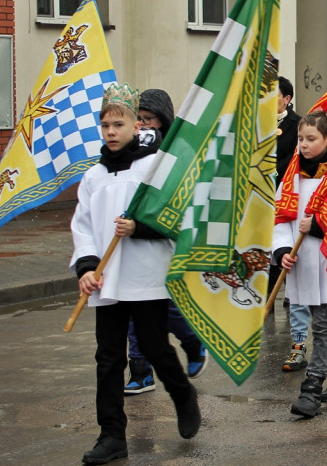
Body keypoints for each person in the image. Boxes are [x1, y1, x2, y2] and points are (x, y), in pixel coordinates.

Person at [71, 83, 199, 464]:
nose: (111, 132)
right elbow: (82, 226)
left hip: (145, 276)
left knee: (156, 348)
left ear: (134, 125)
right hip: (106, 279)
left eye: (119, 124)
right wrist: (86, 267)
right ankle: (112, 435)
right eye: (105, 125)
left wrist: (140, 228)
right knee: (108, 358)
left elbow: (177, 216)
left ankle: (182, 394)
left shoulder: (154, 166)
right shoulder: (93, 176)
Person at [122, 88, 208, 395]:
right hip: (128, 242)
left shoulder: (176, 154)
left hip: (162, 243)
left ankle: (191, 340)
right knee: (132, 308)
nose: (144, 126)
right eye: (139, 120)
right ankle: (140, 370)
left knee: (164, 306)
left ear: (164, 122)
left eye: (149, 120)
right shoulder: (128, 153)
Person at [277, 111, 327, 418]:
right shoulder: (292, 175)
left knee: (324, 326)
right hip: (301, 264)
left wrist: (317, 228)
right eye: (300, 139)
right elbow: (281, 218)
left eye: (311, 139)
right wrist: (282, 250)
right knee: (321, 322)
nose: (304, 145)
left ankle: (311, 388)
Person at [272, 76, 302, 309]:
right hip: (260, 194)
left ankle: (289, 291)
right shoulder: (258, 123)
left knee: (284, 240)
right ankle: (267, 295)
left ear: (286, 99)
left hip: (285, 192)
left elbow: (294, 159)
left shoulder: (296, 124)